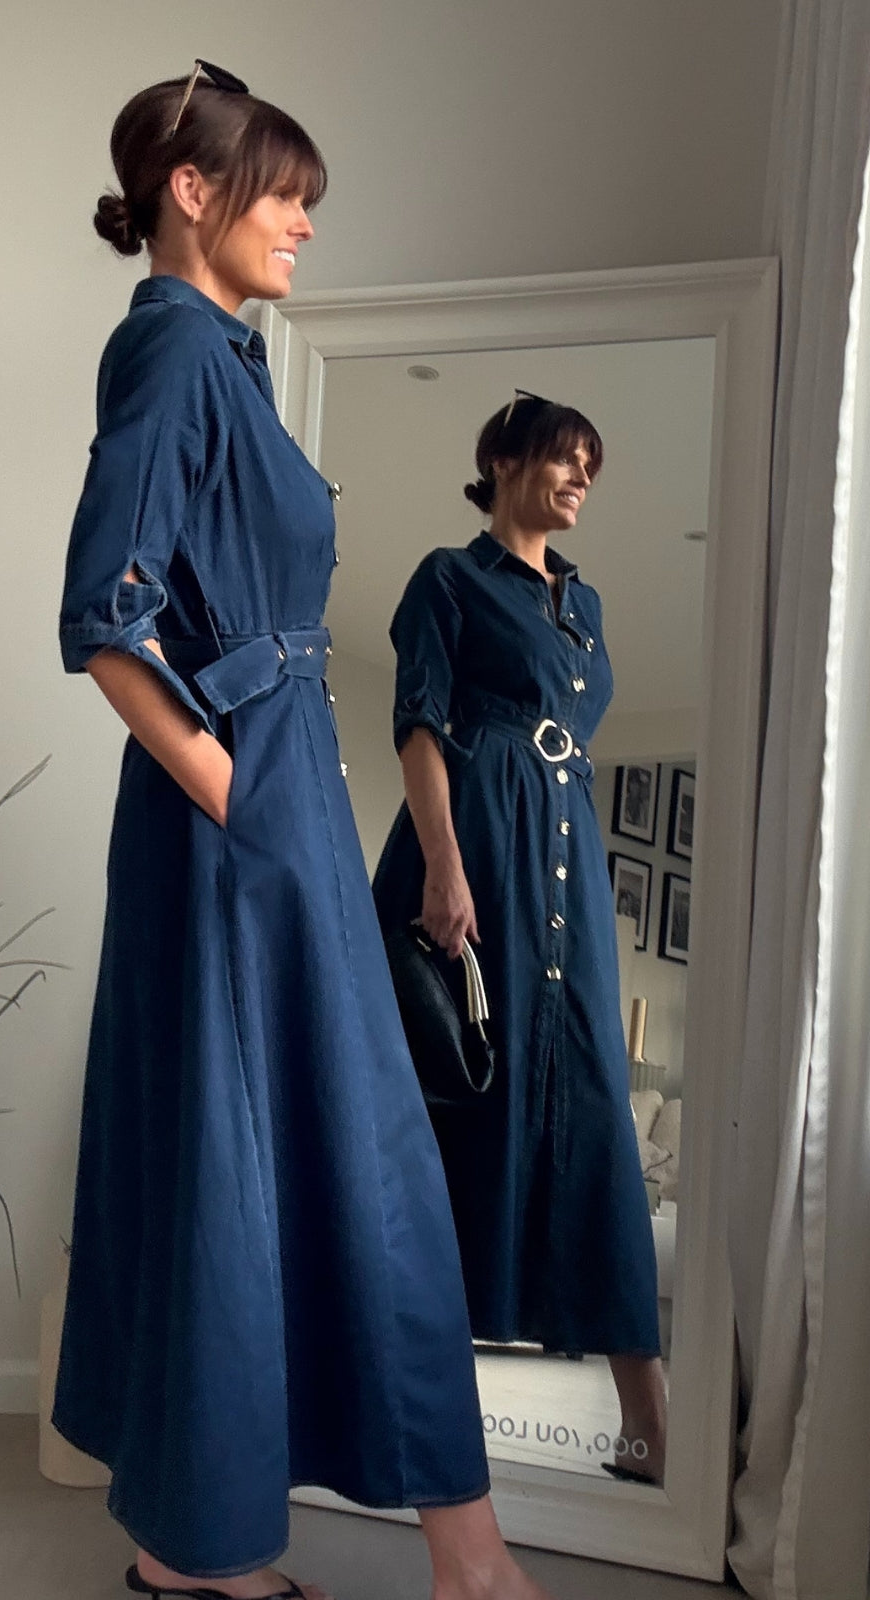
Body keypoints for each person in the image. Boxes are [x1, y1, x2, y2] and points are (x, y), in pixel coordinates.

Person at [52, 60, 554, 1600]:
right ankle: (467, 1564)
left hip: (277, 797)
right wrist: (242, 798)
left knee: (267, 1153)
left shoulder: (225, 358)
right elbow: (105, 621)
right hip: (244, 813)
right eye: (285, 194)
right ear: (192, 191)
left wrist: (272, 798)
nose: (306, 225)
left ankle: (186, 1555)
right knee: (332, 1151)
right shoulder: (171, 353)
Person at [372, 394, 667, 1484]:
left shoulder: (585, 606)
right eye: (564, 458)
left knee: (595, 1113)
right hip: (480, 848)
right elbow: (419, 724)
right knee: (457, 1106)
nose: (581, 478)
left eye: (592, 465)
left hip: (567, 863)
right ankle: (410, 1413)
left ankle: (648, 1427)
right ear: (502, 460)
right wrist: (444, 866)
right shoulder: (449, 580)